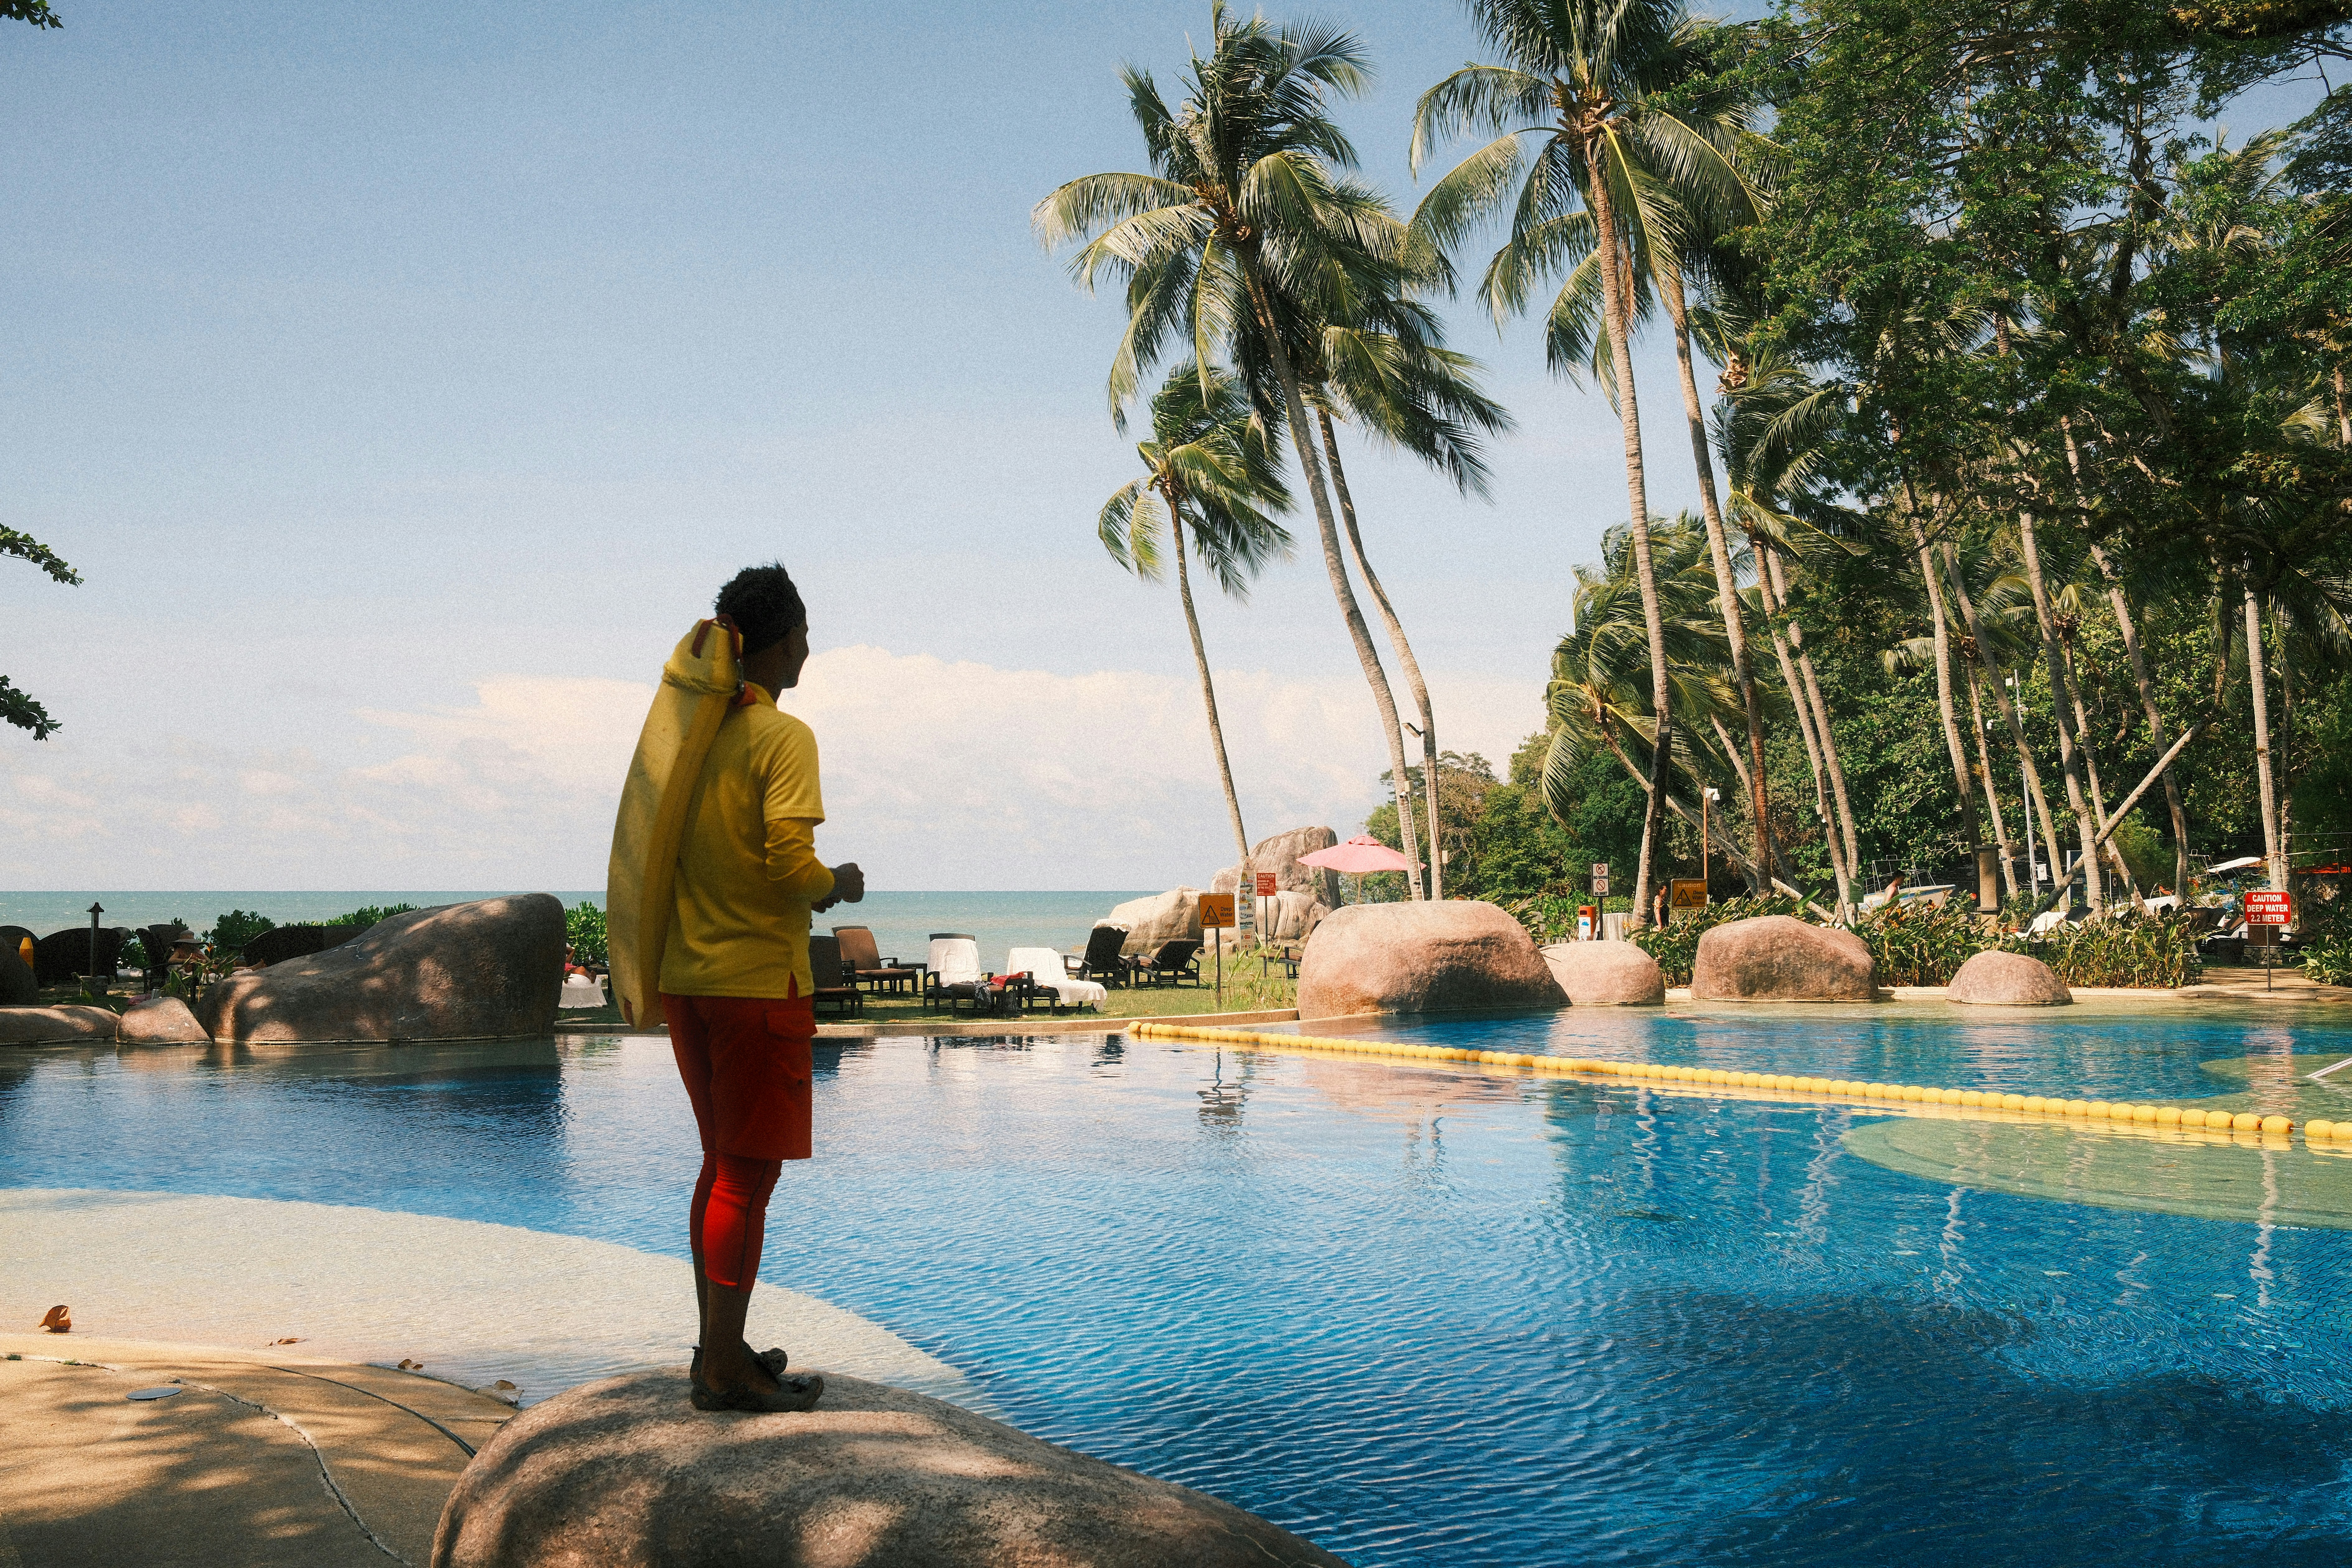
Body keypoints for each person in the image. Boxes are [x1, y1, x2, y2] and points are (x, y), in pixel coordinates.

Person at [657, 563, 863, 1413]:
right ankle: (722, 1372)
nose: (810, 648)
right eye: (806, 633)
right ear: (781, 641)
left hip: (688, 981)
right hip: (753, 984)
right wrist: (836, 884)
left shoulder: (697, 737)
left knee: (719, 1170)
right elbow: (787, 865)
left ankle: (721, 1345)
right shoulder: (784, 737)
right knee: (747, 1177)